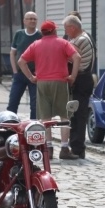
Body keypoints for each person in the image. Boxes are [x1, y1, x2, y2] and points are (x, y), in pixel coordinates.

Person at [18, 20, 81, 160]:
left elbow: (21, 61)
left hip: (42, 82)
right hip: (60, 81)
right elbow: (77, 57)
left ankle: (49, 148)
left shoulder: (36, 44)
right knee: (65, 116)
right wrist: (73, 76)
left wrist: (31, 77)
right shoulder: (62, 43)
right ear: (53, 31)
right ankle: (64, 148)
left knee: (45, 117)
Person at [63, 14, 95, 159]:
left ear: (73, 27)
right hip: (83, 78)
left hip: (81, 79)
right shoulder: (80, 37)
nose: (65, 32)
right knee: (75, 114)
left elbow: (68, 57)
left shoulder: (80, 40)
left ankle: (77, 148)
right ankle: (75, 146)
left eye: (66, 28)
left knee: (78, 114)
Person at [7, 11, 41, 119]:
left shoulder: (40, 35)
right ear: (24, 21)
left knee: (35, 104)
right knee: (13, 101)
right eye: (30, 18)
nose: (32, 21)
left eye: (34, 19)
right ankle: (10, 124)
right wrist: (15, 71)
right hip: (20, 75)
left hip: (35, 75)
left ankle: (33, 126)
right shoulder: (19, 34)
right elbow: (13, 53)